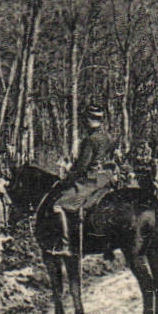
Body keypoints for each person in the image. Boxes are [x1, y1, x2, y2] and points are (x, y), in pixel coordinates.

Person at [52, 105, 116, 254]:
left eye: (85, 120)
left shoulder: (90, 140)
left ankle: (65, 245)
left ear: (88, 120)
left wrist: (68, 170)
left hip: (91, 180)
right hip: (106, 178)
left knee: (58, 205)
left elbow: (82, 168)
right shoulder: (108, 138)